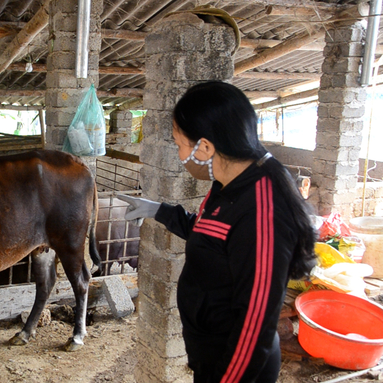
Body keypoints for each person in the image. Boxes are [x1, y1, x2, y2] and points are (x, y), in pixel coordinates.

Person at [118, 81, 316, 383]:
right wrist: (158, 210)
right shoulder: (228, 186)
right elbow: (209, 236)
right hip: (210, 353)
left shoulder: (263, 209)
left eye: (179, 143)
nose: (180, 153)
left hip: (235, 366)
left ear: (206, 147)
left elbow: (255, 322)